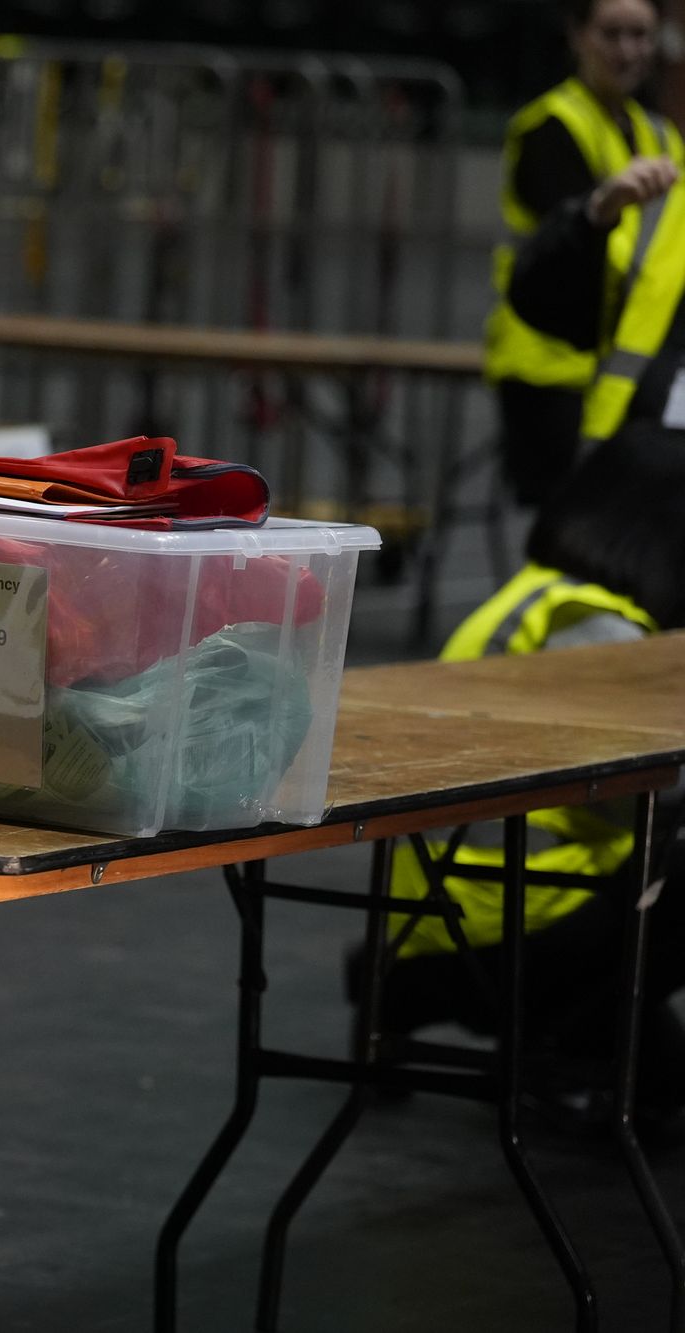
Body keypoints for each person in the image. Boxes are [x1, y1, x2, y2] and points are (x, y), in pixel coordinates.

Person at [355, 428, 685, 1119]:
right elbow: (646, 794)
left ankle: (421, 990)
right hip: (502, 918)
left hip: (448, 902)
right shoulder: (591, 631)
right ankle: (540, 1033)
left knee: (662, 1077)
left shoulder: (547, 598)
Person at [483, 0, 682, 504]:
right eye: (611, 34)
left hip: (631, 370)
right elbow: (566, 257)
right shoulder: (550, 126)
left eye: (640, 35)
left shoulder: (662, 137)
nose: (627, 51)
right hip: (552, 370)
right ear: (577, 36)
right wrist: (603, 206)